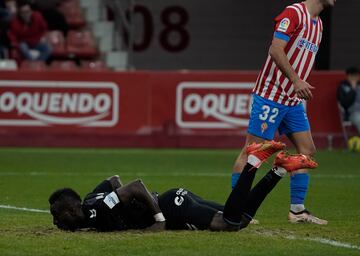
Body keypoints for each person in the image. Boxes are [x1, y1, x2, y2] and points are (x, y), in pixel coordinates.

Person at [49, 141, 318, 232]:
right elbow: (115, 179)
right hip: (175, 198)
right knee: (241, 218)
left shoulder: (95, 209)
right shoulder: (91, 199)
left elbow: (134, 186)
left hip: (173, 208)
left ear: (71, 210)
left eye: (57, 215)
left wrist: (158, 219)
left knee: (228, 223)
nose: (55, 222)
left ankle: (252, 161)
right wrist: (126, 211)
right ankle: (280, 169)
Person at [231, 0, 336, 225]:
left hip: (291, 99)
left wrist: (296, 85)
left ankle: (297, 211)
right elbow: (275, 49)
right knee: (252, 153)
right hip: (270, 95)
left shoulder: (318, 24)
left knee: (307, 150)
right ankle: (235, 208)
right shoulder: (294, 13)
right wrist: (296, 80)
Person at [337, 67, 360, 133]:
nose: (354, 78)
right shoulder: (342, 87)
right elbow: (345, 104)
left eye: (356, 75)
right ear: (348, 76)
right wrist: (353, 89)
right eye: (352, 76)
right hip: (351, 114)